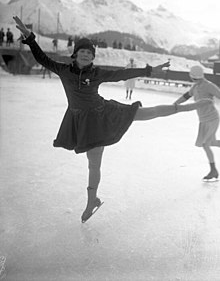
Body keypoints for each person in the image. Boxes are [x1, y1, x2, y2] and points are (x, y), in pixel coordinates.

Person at [13, 15, 211, 223]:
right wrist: (30, 38)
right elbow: (42, 59)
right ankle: (93, 199)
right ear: (75, 54)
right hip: (83, 121)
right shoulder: (63, 70)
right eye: (83, 51)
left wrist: (150, 70)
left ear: (93, 57)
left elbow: (123, 74)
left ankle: (191, 106)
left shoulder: (97, 73)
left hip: (104, 114)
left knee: (148, 113)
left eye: (90, 53)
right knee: (93, 164)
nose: (86, 55)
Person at [174, 65, 220, 181]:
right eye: (194, 79)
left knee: (206, 144)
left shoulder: (209, 86)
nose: (195, 81)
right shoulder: (195, 87)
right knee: (211, 142)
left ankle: (213, 171)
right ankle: (213, 170)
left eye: (197, 79)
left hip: (212, 118)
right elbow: (186, 96)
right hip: (203, 120)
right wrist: (175, 105)